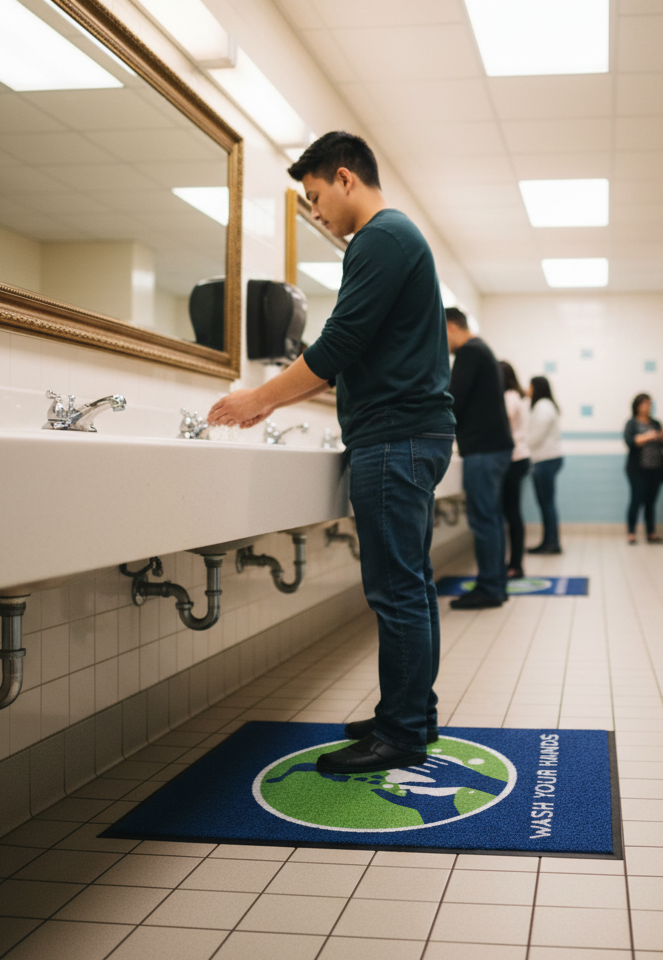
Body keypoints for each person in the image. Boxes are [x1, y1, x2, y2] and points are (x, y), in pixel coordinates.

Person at [207, 132, 455, 774]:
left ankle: (401, 732)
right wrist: (274, 399)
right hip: (411, 432)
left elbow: (339, 343)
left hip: (395, 437)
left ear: (345, 178)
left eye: (315, 198)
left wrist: (259, 398)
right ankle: (412, 714)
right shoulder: (396, 239)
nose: (315, 213)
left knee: (396, 589)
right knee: (412, 585)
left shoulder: (381, 238)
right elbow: (352, 352)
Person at [445, 307, 514, 609]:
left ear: (450, 327)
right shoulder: (482, 349)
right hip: (494, 447)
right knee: (492, 519)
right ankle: (495, 584)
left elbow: (452, 398)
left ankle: (489, 588)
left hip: (484, 449)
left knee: (484, 519)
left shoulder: (470, 352)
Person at [624, 393, 663, 545]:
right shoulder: (632, 424)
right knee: (636, 500)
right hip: (637, 470)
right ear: (637, 406)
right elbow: (630, 441)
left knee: (651, 502)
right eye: (645, 404)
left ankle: (651, 533)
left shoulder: (656, 423)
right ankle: (631, 533)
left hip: (655, 469)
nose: (648, 407)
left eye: (650, 404)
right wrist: (648, 436)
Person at [526, 376, 564, 554]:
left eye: (530, 386)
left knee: (546, 503)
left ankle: (552, 543)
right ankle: (548, 541)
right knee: (545, 503)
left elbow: (535, 437)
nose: (528, 390)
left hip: (545, 459)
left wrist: (521, 445)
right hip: (547, 458)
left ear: (536, 388)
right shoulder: (546, 405)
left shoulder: (543, 406)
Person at [501, 361, 530, 579]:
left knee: (511, 514)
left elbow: (503, 423)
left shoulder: (509, 397)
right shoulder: (514, 396)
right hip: (516, 458)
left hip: (514, 458)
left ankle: (516, 565)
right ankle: (512, 563)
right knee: (510, 513)